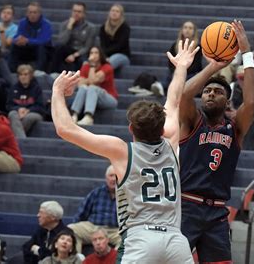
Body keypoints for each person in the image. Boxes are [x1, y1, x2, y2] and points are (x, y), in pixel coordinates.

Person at [51, 38, 199, 263]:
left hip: (141, 239)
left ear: (131, 128)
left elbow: (65, 129)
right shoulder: (171, 143)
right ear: (162, 127)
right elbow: (174, 101)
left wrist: (57, 91)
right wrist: (181, 67)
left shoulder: (122, 151)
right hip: (176, 241)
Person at [178, 20, 254, 263]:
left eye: (218, 92)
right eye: (207, 91)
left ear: (228, 101)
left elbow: (252, 101)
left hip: (217, 213)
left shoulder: (235, 127)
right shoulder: (192, 121)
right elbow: (183, 94)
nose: (210, 93)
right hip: (186, 208)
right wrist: (212, 67)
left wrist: (246, 53)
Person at [68, 165, 120, 253]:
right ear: (106, 178)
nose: (113, 179)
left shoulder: (126, 195)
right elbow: (82, 213)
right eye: (111, 176)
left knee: (128, 238)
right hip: (93, 227)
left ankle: (114, 260)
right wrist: (76, 223)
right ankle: (77, 260)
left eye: (116, 176)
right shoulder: (96, 192)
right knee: (71, 229)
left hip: (114, 230)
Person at [70, 46, 118, 126]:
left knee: (92, 88)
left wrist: (92, 66)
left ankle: (89, 117)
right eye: (91, 53)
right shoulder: (85, 66)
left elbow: (92, 82)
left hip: (109, 98)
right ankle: (74, 115)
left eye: (96, 53)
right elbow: (80, 84)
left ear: (101, 55)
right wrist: (88, 80)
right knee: (83, 88)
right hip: (91, 97)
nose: (93, 55)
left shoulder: (107, 67)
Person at [50, 2, 96, 74]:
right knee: (58, 48)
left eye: (79, 12)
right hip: (67, 50)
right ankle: (53, 73)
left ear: (84, 14)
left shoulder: (90, 27)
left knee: (82, 59)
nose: (76, 13)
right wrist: (69, 28)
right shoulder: (64, 24)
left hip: (80, 52)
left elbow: (87, 47)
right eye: (74, 11)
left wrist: (74, 55)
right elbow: (61, 42)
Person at [9, 2, 52, 72]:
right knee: (14, 46)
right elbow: (19, 36)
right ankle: (12, 71)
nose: (32, 15)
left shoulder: (46, 24)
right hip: (26, 48)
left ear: (39, 13)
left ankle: (38, 71)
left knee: (41, 47)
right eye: (30, 12)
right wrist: (16, 40)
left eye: (35, 12)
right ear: (27, 13)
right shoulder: (22, 22)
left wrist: (28, 41)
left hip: (40, 49)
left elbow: (45, 40)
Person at [7, 64, 45, 138]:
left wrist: (28, 110)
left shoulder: (37, 88)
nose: (23, 77)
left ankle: (15, 138)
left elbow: (40, 107)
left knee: (29, 117)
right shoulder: (13, 88)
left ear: (30, 76)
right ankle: (22, 140)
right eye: (20, 74)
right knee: (12, 114)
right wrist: (18, 109)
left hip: (33, 113)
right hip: (18, 113)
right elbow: (9, 105)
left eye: (25, 74)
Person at [229, 65, 254, 138]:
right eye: (240, 78)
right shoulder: (232, 86)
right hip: (234, 117)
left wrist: (241, 115)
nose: (243, 81)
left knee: (247, 123)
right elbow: (226, 104)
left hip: (252, 119)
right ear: (237, 78)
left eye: (245, 78)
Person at [99, 3, 131, 71]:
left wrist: (105, 57)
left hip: (122, 55)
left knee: (108, 63)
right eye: (113, 11)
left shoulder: (125, 28)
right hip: (107, 55)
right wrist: (104, 56)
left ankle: (96, 78)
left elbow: (120, 45)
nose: (114, 13)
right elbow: (102, 45)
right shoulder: (103, 28)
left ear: (121, 14)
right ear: (109, 13)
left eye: (117, 11)